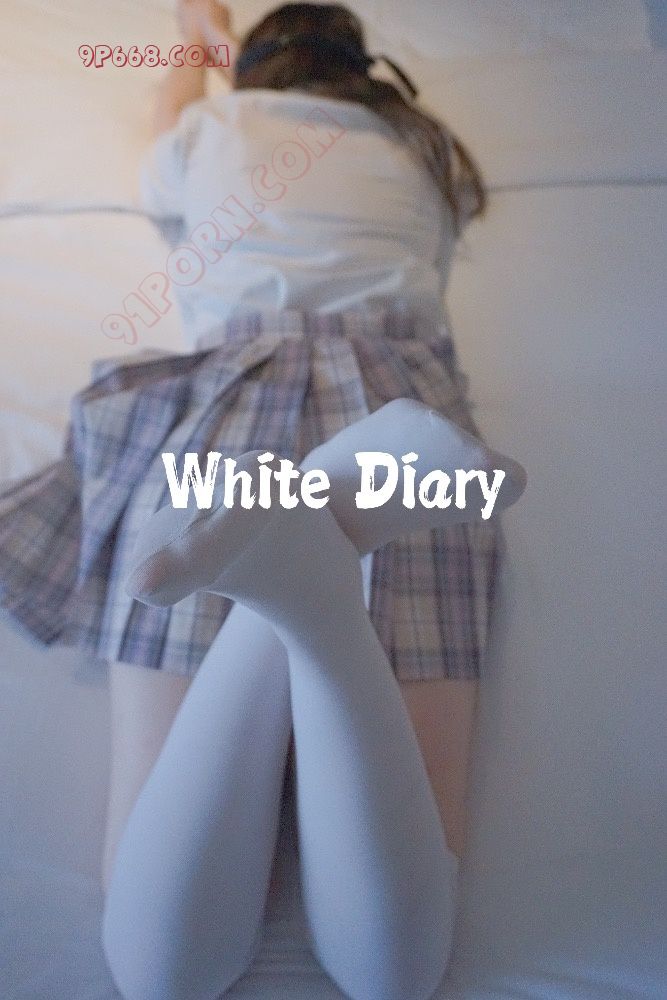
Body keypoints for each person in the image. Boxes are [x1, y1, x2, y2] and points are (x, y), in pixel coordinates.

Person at [0, 3, 526, 998]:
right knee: (395, 977)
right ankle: (320, 593)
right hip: (397, 423)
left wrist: (193, 47)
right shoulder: (423, 148)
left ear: (250, 71)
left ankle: (286, 582)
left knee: (159, 972)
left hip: (223, 407)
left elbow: (160, 136)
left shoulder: (215, 127)